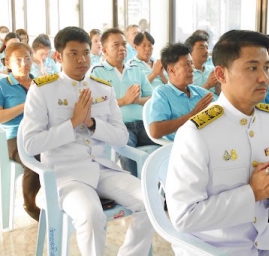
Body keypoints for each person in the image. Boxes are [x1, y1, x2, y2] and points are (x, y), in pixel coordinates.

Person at [166, 30, 269, 255]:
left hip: (262, 238)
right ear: (220, 74)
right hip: (213, 246)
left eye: (266, 67)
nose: (264, 77)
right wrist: (252, 193)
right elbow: (183, 216)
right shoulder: (197, 132)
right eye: (252, 68)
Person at [21, 26, 154, 256]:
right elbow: (31, 144)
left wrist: (92, 124)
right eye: (74, 53)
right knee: (91, 216)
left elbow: (121, 137)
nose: (82, 59)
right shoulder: (43, 90)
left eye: (86, 53)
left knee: (152, 201)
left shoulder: (102, 88)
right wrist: (72, 124)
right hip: (66, 176)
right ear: (58, 56)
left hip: (102, 169)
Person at [91, 28, 155, 177]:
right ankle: (135, 190)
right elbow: (96, 105)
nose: (122, 48)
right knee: (126, 150)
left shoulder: (135, 70)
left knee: (169, 143)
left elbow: (152, 97)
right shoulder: (97, 72)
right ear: (105, 50)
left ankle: (162, 190)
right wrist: (124, 101)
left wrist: (137, 100)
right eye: (116, 45)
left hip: (143, 124)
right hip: (119, 127)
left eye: (124, 44)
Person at [0, 42, 40, 220]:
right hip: (14, 136)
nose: (24, 64)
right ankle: (32, 206)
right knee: (33, 156)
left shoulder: (40, 82)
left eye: (27, 59)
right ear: (7, 63)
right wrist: (26, 104)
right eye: (18, 60)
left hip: (40, 130)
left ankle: (59, 198)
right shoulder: (3, 85)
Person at [148, 43, 214, 141]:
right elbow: (155, 131)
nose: (192, 69)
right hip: (181, 149)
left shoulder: (200, 92)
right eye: (187, 65)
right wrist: (192, 116)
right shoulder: (162, 93)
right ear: (171, 70)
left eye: (191, 63)